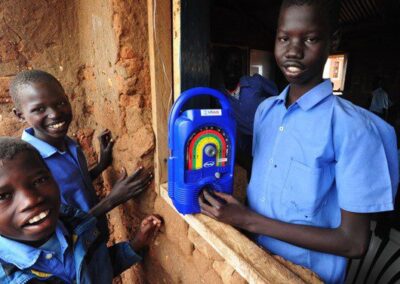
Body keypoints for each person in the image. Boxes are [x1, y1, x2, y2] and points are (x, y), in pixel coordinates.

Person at [199, 1, 398, 283]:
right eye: (284, 38)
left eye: (310, 38)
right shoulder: (266, 112)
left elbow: (353, 243)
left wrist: (245, 219)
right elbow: (267, 188)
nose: (293, 50)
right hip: (250, 264)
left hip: (304, 277)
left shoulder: (353, 129)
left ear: (333, 40)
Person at [0, 137, 162, 283]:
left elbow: (97, 271)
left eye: (40, 180)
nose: (31, 200)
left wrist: (135, 244)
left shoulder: (77, 226)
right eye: (3, 196)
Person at [9, 70, 151, 235]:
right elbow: (60, 229)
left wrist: (101, 166)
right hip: (77, 250)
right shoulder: (30, 164)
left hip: (95, 236)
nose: (54, 114)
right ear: (20, 115)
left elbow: (71, 186)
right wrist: (112, 200)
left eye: (60, 103)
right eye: (39, 109)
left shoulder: (67, 143)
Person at [217, 48, 278, 177]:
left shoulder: (256, 82)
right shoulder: (219, 95)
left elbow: (278, 96)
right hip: (245, 143)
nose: (234, 67)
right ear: (222, 67)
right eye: (230, 63)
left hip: (267, 135)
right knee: (253, 173)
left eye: (238, 63)